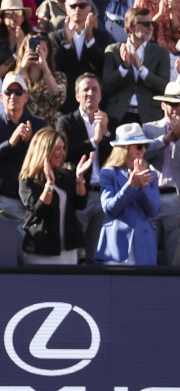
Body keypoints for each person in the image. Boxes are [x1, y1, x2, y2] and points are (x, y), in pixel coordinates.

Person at [0, 71, 46, 218]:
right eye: (8, 92)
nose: (13, 96)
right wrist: (9, 144)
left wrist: (29, 142)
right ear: (1, 97)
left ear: (26, 97)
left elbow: (46, 160)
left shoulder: (38, 124)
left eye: (18, 92)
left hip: (25, 200)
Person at [19, 127, 93, 263]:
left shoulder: (64, 175)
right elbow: (38, 211)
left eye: (64, 148)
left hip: (68, 251)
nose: (63, 153)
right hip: (42, 251)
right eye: (58, 148)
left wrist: (79, 178)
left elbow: (80, 204)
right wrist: (49, 184)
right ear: (44, 149)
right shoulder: (28, 179)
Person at [58, 73, 111, 259]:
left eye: (94, 89)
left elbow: (115, 158)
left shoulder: (108, 120)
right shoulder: (66, 122)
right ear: (77, 96)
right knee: (76, 253)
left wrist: (104, 135)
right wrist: (93, 141)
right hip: (79, 193)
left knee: (97, 254)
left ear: (101, 95)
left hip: (103, 194)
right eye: (85, 89)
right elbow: (64, 153)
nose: (90, 93)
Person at [96, 122, 162, 262]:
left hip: (144, 244)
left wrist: (143, 188)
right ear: (125, 148)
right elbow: (109, 209)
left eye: (146, 146)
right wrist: (130, 186)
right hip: (116, 246)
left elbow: (154, 211)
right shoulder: (108, 173)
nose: (144, 150)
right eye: (139, 146)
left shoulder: (150, 175)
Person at [103, 6, 171, 124]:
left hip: (149, 116)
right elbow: (106, 86)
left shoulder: (161, 53)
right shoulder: (113, 51)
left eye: (152, 24)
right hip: (119, 115)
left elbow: (164, 87)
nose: (150, 28)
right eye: (146, 24)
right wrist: (124, 68)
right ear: (131, 27)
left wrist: (142, 70)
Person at [51, 0, 112, 100]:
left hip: (93, 101)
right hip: (65, 101)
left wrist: (90, 40)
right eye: (73, 6)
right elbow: (55, 68)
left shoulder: (102, 37)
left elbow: (101, 67)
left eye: (82, 6)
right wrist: (67, 43)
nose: (77, 9)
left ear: (90, 9)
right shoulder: (56, 38)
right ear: (66, 10)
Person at [143, 86, 180, 263]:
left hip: (176, 198)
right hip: (152, 196)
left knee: (175, 257)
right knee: (147, 252)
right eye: (172, 103)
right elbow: (141, 153)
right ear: (163, 105)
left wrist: (178, 138)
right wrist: (166, 139)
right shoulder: (149, 129)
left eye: (179, 104)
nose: (176, 108)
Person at [14, 30, 67, 125]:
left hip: (47, 129)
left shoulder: (58, 77)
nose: (37, 52)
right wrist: (22, 67)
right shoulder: (15, 76)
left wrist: (45, 69)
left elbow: (58, 99)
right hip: (22, 126)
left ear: (48, 53)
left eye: (42, 50)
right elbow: (9, 93)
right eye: (33, 48)